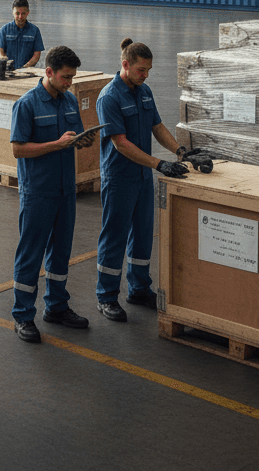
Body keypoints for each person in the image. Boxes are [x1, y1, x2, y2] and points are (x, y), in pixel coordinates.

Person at [95, 39, 188, 320]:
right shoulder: (109, 97)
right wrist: (160, 164)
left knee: (143, 235)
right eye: (141, 70)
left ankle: (138, 288)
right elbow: (120, 143)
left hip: (142, 177)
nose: (145, 75)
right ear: (125, 65)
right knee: (115, 237)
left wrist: (181, 151)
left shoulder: (144, 91)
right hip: (119, 177)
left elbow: (157, 126)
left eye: (148, 70)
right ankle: (107, 296)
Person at [10, 45, 96, 343]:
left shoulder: (70, 101)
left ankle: (56, 307)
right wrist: (56, 145)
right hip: (38, 192)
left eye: (72, 77)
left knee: (60, 253)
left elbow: (72, 136)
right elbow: (18, 149)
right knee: (31, 254)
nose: (69, 82)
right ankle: (22, 315)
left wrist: (81, 141)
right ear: (49, 72)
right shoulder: (27, 104)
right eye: (65, 77)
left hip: (64, 190)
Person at [0, 0, 44, 69]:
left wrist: (25, 68)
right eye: (17, 13)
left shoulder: (35, 30)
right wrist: (3, 59)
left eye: (23, 13)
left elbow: (37, 54)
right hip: (8, 71)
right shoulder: (4, 29)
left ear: (28, 13)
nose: (20, 17)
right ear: (13, 12)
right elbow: (0, 50)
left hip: (27, 72)